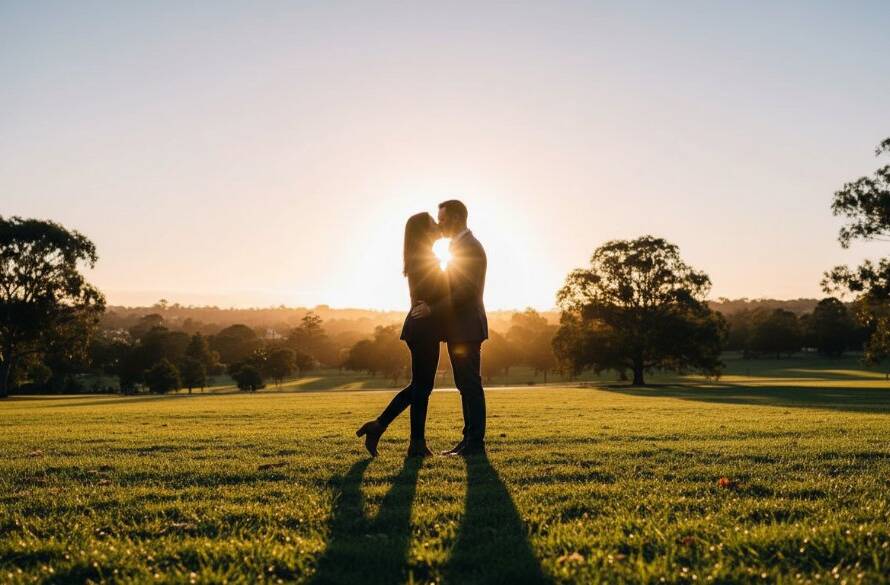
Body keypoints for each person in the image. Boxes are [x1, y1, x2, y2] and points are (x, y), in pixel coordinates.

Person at [356, 212, 447, 457]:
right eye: (433, 223)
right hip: (423, 328)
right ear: (424, 232)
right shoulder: (423, 259)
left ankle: (386, 431)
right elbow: (436, 295)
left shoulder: (423, 257)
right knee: (422, 387)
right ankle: (412, 442)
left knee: (420, 386)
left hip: (422, 329)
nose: (438, 226)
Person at [412, 199, 488, 457]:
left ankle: (475, 444)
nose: (440, 225)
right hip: (460, 329)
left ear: (456, 219)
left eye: (443, 220)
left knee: (470, 384)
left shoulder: (470, 247)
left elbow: (466, 290)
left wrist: (433, 309)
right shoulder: (459, 247)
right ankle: (468, 441)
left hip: (468, 327)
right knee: (464, 385)